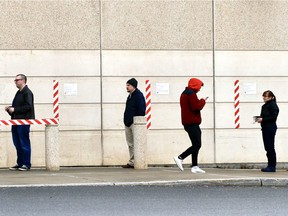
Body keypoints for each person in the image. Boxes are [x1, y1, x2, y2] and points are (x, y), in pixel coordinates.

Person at [173, 78, 208, 173]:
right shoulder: (191, 94)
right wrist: (203, 101)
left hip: (188, 123)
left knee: (195, 144)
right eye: (199, 86)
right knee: (197, 145)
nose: (200, 89)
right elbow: (196, 107)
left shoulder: (184, 93)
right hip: (192, 123)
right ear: (195, 85)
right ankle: (180, 157)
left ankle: (195, 166)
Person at [5, 74, 35, 171]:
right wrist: (10, 109)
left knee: (24, 143)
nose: (15, 82)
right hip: (16, 121)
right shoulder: (19, 93)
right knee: (17, 143)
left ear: (23, 80)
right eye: (15, 80)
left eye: (17, 80)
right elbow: (18, 107)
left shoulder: (27, 92)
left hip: (23, 121)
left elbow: (28, 107)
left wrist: (15, 109)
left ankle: (26, 164)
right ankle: (20, 163)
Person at [122, 78, 146, 168]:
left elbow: (141, 110)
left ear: (134, 86)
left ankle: (137, 161)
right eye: (126, 85)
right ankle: (132, 161)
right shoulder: (130, 96)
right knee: (130, 144)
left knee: (136, 143)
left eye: (128, 85)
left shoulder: (138, 96)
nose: (127, 87)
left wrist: (134, 121)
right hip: (127, 122)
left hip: (134, 123)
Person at [256, 90, 279, 172]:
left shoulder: (273, 105)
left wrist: (263, 119)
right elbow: (265, 115)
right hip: (265, 128)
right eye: (263, 96)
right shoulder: (265, 106)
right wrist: (259, 119)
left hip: (270, 128)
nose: (264, 98)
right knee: (267, 147)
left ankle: (272, 166)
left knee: (270, 147)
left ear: (271, 97)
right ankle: (270, 165)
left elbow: (274, 117)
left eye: (265, 96)